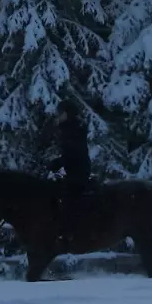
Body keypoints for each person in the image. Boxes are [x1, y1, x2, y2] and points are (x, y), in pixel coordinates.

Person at [47, 97, 93, 241]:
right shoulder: (70, 128)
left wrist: (58, 163)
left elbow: (74, 152)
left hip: (79, 172)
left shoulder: (73, 129)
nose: (58, 116)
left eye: (60, 113)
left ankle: (71, 232)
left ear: (67, 113)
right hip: (75, 170)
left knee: (69, 199)